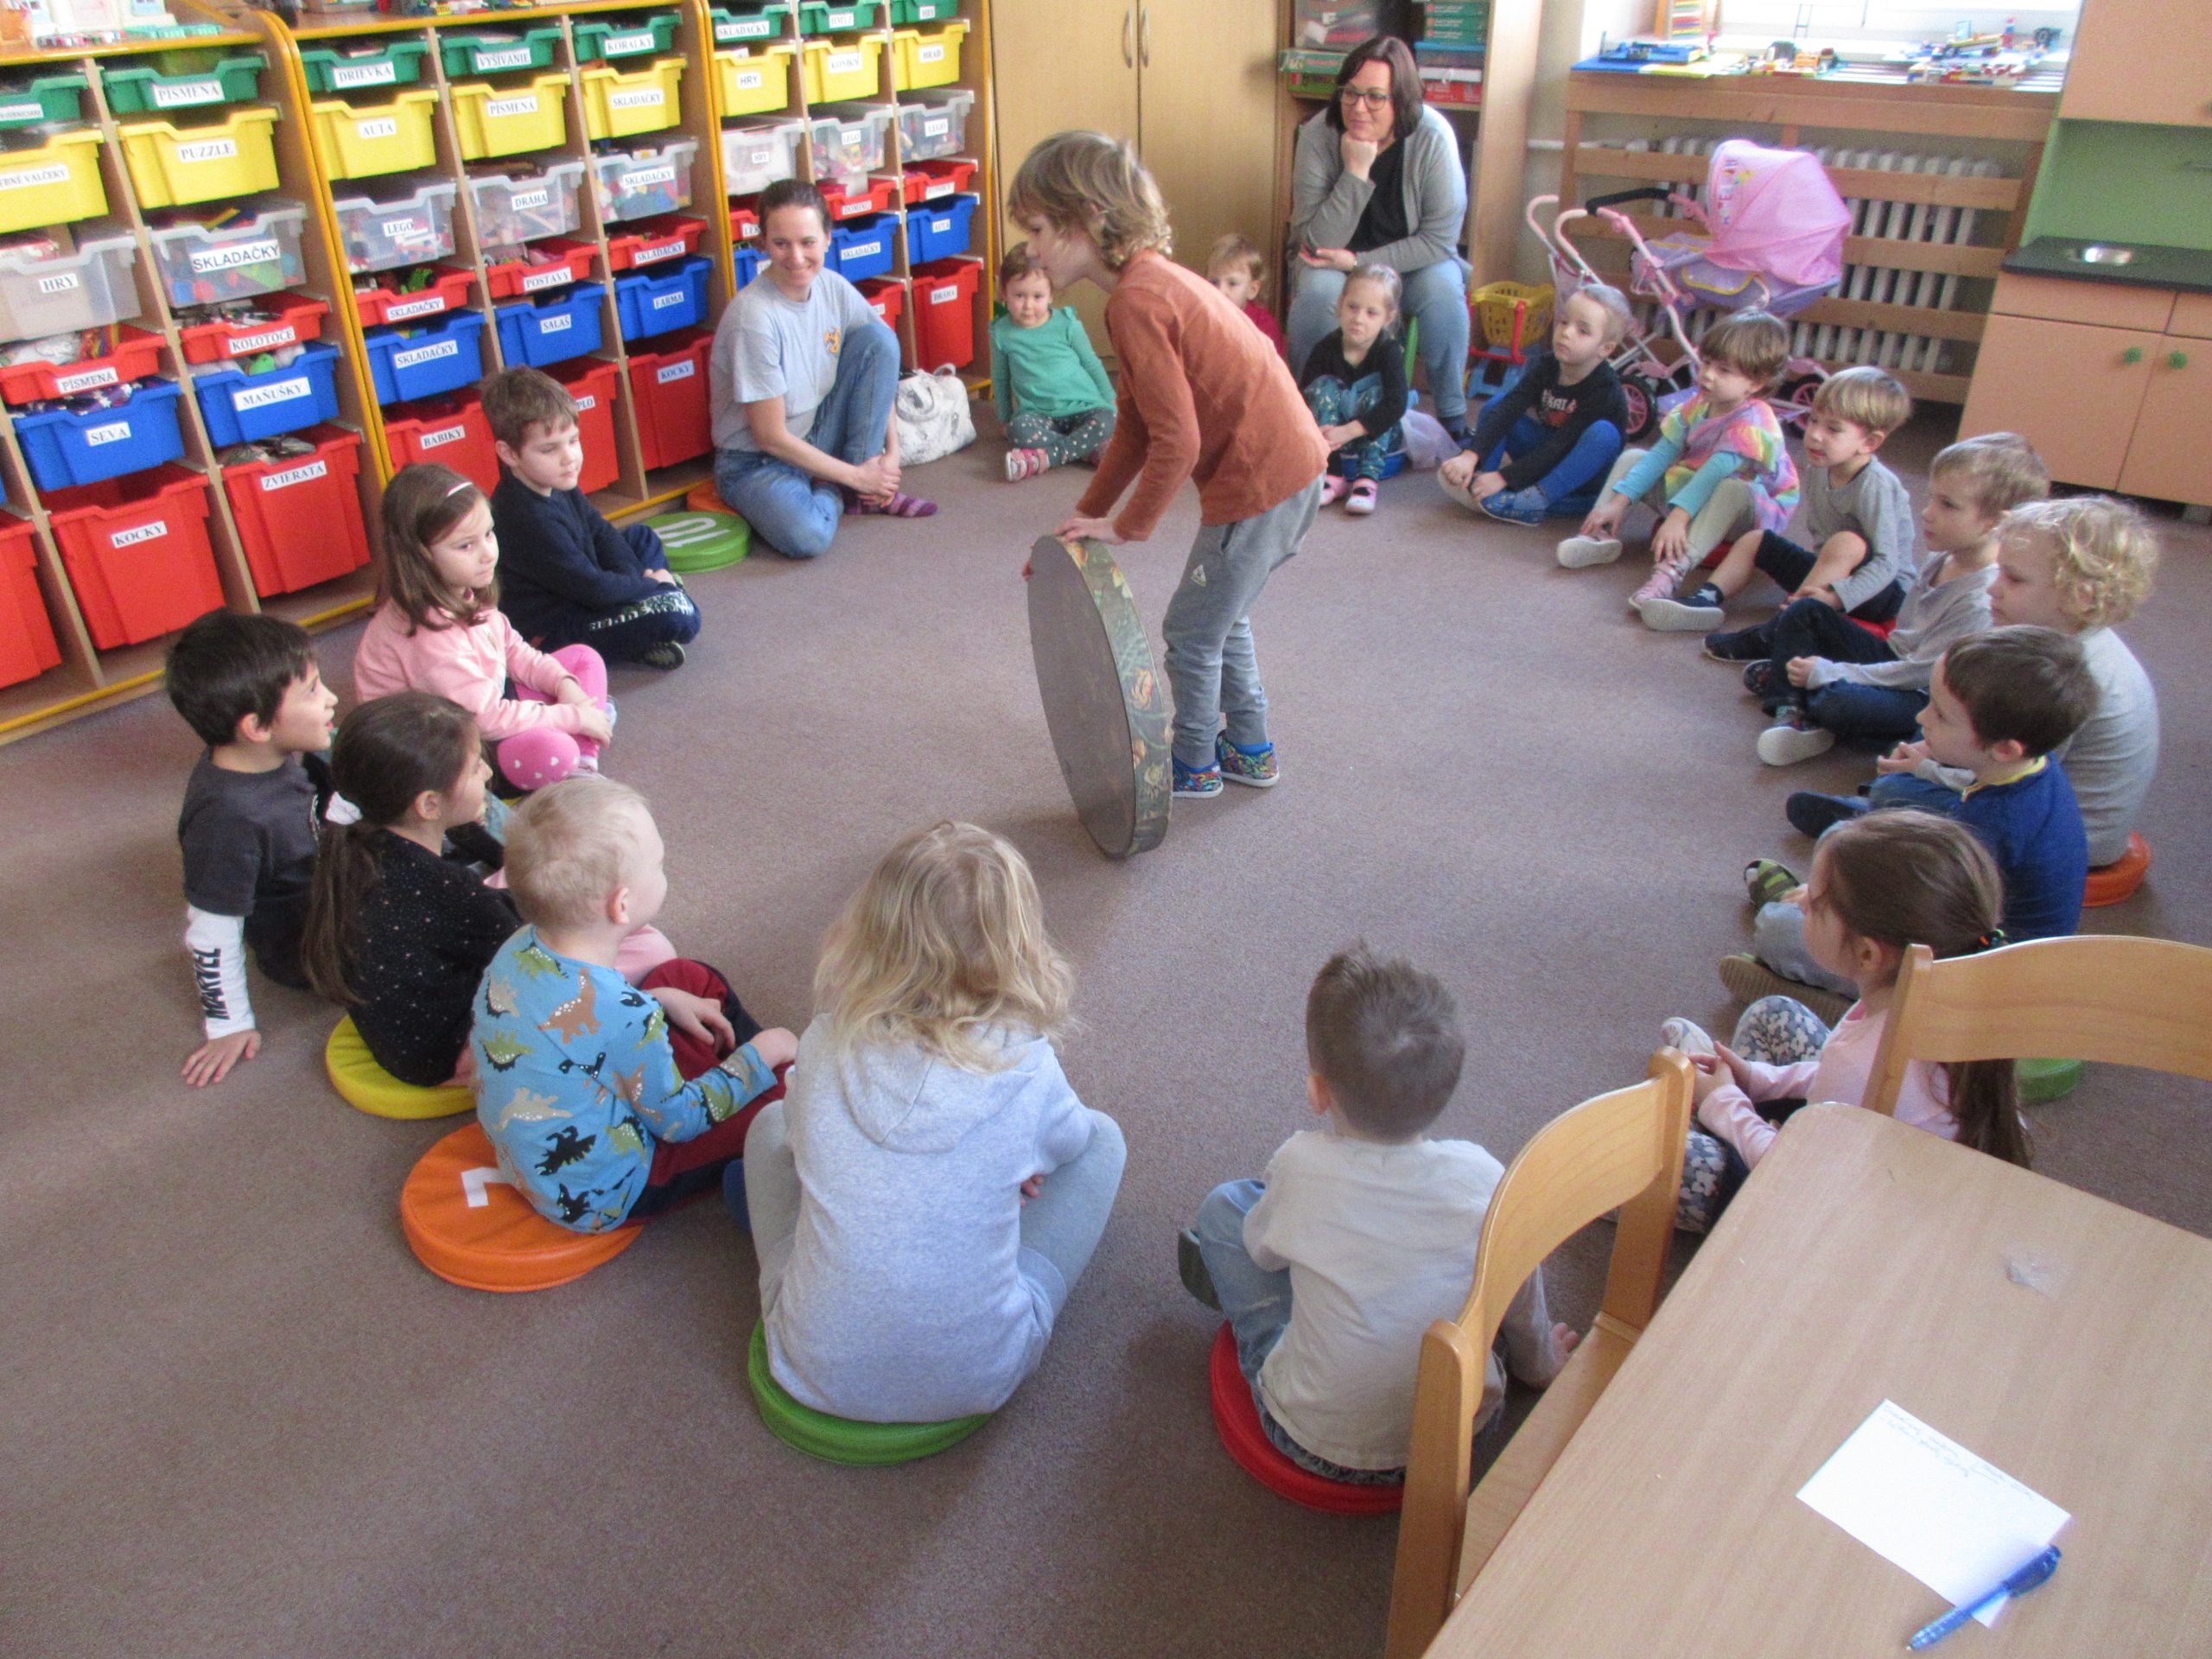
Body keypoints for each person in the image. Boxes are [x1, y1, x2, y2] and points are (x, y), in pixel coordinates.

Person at [738, 821, 1127, 1422]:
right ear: (1020, 948)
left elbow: (800, 1138)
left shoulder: (824, 1042)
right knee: (1103, 1140)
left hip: (809, 1363)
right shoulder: (1027, 1065)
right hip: (980, 1375)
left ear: (870, 934)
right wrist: (1013, 1163)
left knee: (768, 1124)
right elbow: (1074, 1143)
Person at [1179, 944, 1576, 1484]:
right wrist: (1540, 1364)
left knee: (1226, 1209)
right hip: (1463, 1430)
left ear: (1318, 1093)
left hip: (1313, 1439)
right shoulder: (1486, 1177)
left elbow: (1263, 1252)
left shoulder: (1300, 1165)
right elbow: (1520, 1286)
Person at [1009, 130, 1326, 799]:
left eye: (1037, 229)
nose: (1030, 249)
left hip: (1259, 481)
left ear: (1087, 218)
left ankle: (1194, 762)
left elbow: (1176, 442)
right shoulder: (1147, 283)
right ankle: (1250, 749)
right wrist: (1086, 517)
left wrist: (1127, 527)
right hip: (1289, 469)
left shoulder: (1137, 301)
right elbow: (1133, 425)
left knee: (1190, 631)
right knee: (1221, 618)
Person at [1666, 811, 2025, 1233]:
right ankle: (1720, 1104)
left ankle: (1705, 1110)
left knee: (1645, 1154)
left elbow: (1792, 1172)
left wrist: (1724, 1104)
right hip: (1868, 1151)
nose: (1801, 901)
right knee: (1774, 1012)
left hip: (1838, 1214)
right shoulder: (1943, 1003)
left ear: (1868, 954)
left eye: (1816, 904)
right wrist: (1758, 1079)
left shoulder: (1858, 1059)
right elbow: (1849, 1078)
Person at [471, 778, 795, 1233]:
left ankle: (743, 1068)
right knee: (783, 1109)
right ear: (621, 905)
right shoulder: (626, 1014)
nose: (664, 872)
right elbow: (678, 1122)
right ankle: (769, 1073)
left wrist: (659, 999)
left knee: (685, 976)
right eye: (659, 865)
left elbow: (580, 1025)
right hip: (611, 1189)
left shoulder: (518, 947)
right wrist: (762, 1055)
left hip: (546, 1136)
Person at [1728, 626, 2095, 1012]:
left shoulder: (1993, 826)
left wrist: (1828, 902)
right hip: (1968, 904)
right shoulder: (2029, 764)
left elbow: (1923, 922)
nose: (1922, 716)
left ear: (2004, 749)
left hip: (1974, 977)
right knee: (1845, 833)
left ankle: (1868, 1008)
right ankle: (1818, 906)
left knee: (1778, 930)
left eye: (1941, 715)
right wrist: (1931, 758)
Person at [1810, 495, 2162, 873]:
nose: (1992, 589)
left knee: (1897, 788)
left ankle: (1879, 819)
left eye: (2014, 579)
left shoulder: (2060, 678)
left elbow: (2017, 781)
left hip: (2066, 839)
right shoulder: (2062, 645)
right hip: (2037, 794)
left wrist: (1928, 769)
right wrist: (1930, 754)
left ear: (2080, 596)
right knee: (1938, 720)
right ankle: (1886, 811)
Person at [1741, 431, 2049, 766]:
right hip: (1895, 658)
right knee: (1806, 611)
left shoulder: (1981, 598)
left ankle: (1799, 691)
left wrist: (1835, 672)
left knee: (1838, 701)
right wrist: (1841, 668)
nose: (1927, 513)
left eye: (1947, 505)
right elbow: (1899, 642)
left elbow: (1920, 675)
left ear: (1996, 523)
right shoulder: (1944, 556)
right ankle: (1789, 707)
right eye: (1932, 498)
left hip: (1924, 692)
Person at [302, 692, 521, 1089]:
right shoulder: (446, 887)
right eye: (476, 768)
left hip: (396, 1043)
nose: (488, 773)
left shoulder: (354, 845)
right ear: (429, 805)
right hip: (443, 1055)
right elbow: (524, 947)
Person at [352, 464, 615, 792]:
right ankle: (579, 741)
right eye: (466, 545)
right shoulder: (427, 634)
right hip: (448, 748)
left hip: (482, 702)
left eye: (489, 534)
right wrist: (571, 716)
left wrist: (565, 686)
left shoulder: (463, 587)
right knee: (554, 750)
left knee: (584, 659)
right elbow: (484, 720)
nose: (488, 554)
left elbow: (515, 652)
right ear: (420, 557)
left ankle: (584, 759)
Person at [709, 177, 932, 558]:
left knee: (879, 340)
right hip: (755, 461)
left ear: (828, 238)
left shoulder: (832, 287)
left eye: (808, 242)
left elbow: (880, 360)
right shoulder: (754, 318)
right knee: (808, 536)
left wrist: (891, 453)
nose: (797, 257)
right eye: (782, 243)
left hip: (813, 431)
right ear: (763, 243)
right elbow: (770, 437)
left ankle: (857, 484)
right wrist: (856, 477)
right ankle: (842, 489)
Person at [166, 609, 340, 1088]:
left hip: (328, 882)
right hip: (312, 947)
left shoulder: (261, 755)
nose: (331, 697)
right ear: (257, 727)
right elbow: (211, 931)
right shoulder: (229, 822)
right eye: (313, 691)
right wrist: (229, 1024)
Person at [1287, 35, 1472, 442]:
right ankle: (1305, 411)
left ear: (1400, 101)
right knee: (1318, 291)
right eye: (1350, 93)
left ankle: (1453, 415)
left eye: (1374, 97)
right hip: (1332, 266)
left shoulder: (1433, 137)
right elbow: (1314, 241)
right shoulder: (1319, 134)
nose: (1358, 108)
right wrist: (1355, 174)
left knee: (1443, 288)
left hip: (1412, 264)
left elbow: (1440, 240)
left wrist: (1359, 262)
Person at [1556, 310, 1799, 614]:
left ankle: (1671, 572)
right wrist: (1619, 501)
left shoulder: (1754, 421)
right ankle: (1599, 531)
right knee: (1634, 457)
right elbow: (1663, 453)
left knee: (1731, 488)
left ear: (1755, 383)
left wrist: (1678, 519)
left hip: (1747, 512)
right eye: (1706, 363)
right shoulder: (1700, 403)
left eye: (1723, 370)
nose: (1707, 375)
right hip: (1695, 487)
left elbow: (1713, 474)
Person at [1641, 365, 1914, 633]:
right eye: (1814, 420)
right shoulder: (1819, 469)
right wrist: (1818, 581)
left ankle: (1779, 629)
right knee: (1756, 540)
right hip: (1830, 573)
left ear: (1869, 443)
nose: (1815, 435)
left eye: (1833, 429)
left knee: (1847, 542)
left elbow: (1887, 564)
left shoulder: (1875, 485)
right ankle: (1705, 599)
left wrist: (1835, 597)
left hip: (1881, 592)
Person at [481, 366, 700, 671]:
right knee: (679, 616)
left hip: (585, 590)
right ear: (509, 454)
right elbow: (592, 588)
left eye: (573, 441)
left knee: (641, 536)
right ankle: (656, 608)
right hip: (555, 632)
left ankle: (650, 609)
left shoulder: (554, 480)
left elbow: (600, 531)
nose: (568, 457)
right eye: (549, 449)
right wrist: (650, 586)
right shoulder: (526, 518)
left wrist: (637, 581)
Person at [1438, 283, 1631, 525]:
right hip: (1546, 453)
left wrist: (1506, 477)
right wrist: (1471, 454)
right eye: (1564, 322)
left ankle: (1536, 500)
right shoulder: (1548, 364)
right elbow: (1510, 407)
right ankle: (1480, 479)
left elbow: (1563, 446)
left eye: (1582, 331)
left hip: (1581, 476)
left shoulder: (1604, 390)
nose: (1566, 333)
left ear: (1605, 349)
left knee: (1604, 433)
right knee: (1497, 404)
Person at [989, 241, 1117, 481]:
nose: (1028, 306)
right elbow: (1000, 378)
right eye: (1019, 296)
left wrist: (1110, 400)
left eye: (1037, 296)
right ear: (1004, 293)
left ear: (1050, 294)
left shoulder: (1067, 324)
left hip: (1084, 407)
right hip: (1039, 414)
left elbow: (1091, 363)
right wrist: (1005, 419)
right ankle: (1088, 451)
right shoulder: (1001, 332)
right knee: (1019, 431)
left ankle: (1047, 457)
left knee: (1107, 420)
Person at [1299, 263, 1408, 516]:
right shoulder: (1325, 348)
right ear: (1341, 304)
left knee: (1379, 393)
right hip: (1332, 439)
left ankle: (1367, 478)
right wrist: (1326, 435)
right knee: (1321, 387)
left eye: (1371, 313)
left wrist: (1350, 431)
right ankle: (1332, 473)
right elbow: (1304, 397)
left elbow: (1396, 403)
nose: (1358, 319)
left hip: (1374, 435)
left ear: (1387, 317)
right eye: (1353, 307)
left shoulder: (1388, 351)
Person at [1207, 232, 1287, 360]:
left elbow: (1274, 369)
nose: (1220, 291)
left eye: (1232, 283)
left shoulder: (1263, 327)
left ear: (1252, 290)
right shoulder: (1200, 317)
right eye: (1214, 282)